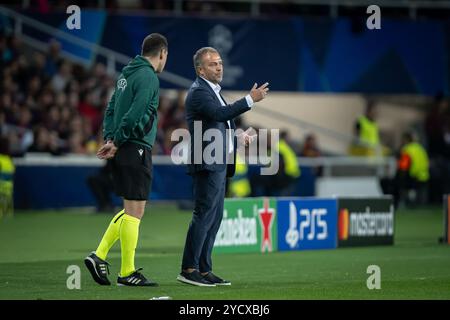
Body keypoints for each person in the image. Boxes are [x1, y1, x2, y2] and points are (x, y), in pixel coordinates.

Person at [178, 47, 268, 287]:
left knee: (214, 218)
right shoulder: (199, 92)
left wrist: (237, 137)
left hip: (218, 161)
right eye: (212, 64)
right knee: (204, 216)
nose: (219, 67)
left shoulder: (213, 91)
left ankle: (204, 269)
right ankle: (189, 268)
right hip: (207, 163)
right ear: (200, 69)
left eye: (219, 63)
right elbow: (219, 114)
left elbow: (218, 125)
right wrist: (250, 100)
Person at [84, 33, 168, 287]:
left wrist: (111, 138)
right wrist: (118, 140)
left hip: (122, 147)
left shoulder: (126, 75)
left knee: (129, 210)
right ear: (162, 53)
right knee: (135, 212)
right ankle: (126, 272)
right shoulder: (148, 76)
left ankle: (99, 256)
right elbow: (137, 113)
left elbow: (110, 109)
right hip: (135, 147)